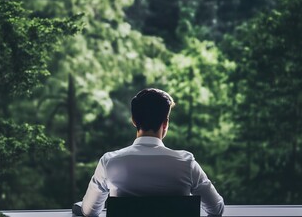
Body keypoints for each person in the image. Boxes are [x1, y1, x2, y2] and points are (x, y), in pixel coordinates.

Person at [81, 88, 224, 216]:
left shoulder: (109, 162)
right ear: (165, 123)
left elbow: (89, 211)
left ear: (134, 121)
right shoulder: (186, 163)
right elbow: (216, 209)